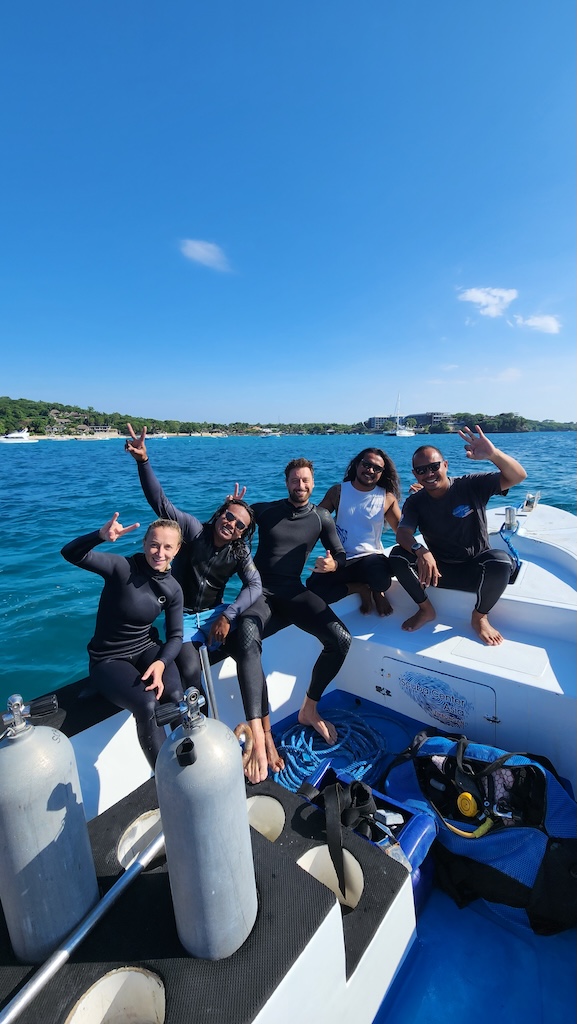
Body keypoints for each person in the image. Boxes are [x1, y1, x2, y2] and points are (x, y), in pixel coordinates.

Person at [124, 424, 283, 784]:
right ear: (220, 513)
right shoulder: (192, 531)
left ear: (244, 533)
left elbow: (255, 584)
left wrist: (228, 615)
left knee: (249, 648)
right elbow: (160, 502)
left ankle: (262, 734)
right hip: (181, 618)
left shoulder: (239, 552)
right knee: (192, 674)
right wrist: (144, 462)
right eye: (228, 516)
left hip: (213, 613)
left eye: (239, 524)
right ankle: (209, 739)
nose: (231, 524)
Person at [229, 457, 352, 774]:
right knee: (246, 637)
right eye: (295, 480)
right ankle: (261, 736)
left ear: (313, 482)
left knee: (340, 640)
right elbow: (230, 527)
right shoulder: (265, 510)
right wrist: (230, 510)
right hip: (260, 592)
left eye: (306, 480)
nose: (301, 486)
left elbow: (339, 553)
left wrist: (334, 565)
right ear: (286, 483)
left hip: (294, 592)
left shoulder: (322, 518)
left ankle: (309, 709)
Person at [61, 513, 184, 768]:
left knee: (174, 695)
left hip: (147, 649)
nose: (159, 552)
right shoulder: (122, 568)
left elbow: (175, 636)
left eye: (167, 547)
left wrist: (161, 663)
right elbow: (71, 553)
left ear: (177, 550)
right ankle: (164, 775)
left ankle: (189, 762)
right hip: (108, 659)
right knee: (147, 703)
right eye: (154, 544)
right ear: (144, 543)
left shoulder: (172, 588)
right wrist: (99, 536)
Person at [388, 425, 527, 645]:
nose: (429, 474)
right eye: (422, 470)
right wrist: (420, 550)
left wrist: (493, 454)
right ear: (415, 474)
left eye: (434, 466)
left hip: (476, 569)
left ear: (445, 465)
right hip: (438, 572)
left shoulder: (471, 485)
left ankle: (480, 616)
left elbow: (518, 475)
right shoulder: (416, 501)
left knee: (500, 562)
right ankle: (425, 610)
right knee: (397, 556)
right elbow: (403, 533)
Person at [306, 447, 402, 615]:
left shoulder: (386, 498)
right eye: (366, 464)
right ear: (357, 464)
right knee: (314, 588)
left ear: (382, 473)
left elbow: (402, 532)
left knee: (381, 579)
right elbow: (315, 521)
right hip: (342, 559)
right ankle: (359, 588)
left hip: (371, 558)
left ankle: (377, 591)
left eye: (377, 468)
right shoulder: (338, 491)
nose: (370, 470)